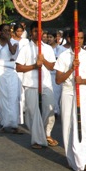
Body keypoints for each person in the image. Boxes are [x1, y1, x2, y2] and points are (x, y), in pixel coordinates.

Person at [54, 29, 86, 171]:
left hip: (82, 93)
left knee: (85, 126)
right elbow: (58, 80)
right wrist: (71, 69)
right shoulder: (63, 56)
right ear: (69, 39)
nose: (79, 41)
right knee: (70, 127)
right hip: (68, 93)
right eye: (76, 38)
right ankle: (76, 161)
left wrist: (82, 80)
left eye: (81, 38)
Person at [16, 21, 58, 149]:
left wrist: (43, 60)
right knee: (33, 113)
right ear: (30, 32)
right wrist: (34, 66)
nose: (38, 33)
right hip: (30, 84)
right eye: (35, 31)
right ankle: (36, 139)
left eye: (40, 31)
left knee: (50, 110)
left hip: (45, 84)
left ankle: (46, 134)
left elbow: (52, 67)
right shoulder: (25, 48)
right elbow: (18, 67)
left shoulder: (48, 48)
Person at [0, 23, 21, 133]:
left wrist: (8, 40)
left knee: (13, 96)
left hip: (12, 70)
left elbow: (13, 52)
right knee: (2, 97)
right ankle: (3, 123)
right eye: (4, 30)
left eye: (8, 30)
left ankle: (14, 123)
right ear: (0, 32)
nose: (6, 32)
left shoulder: (15, 43)